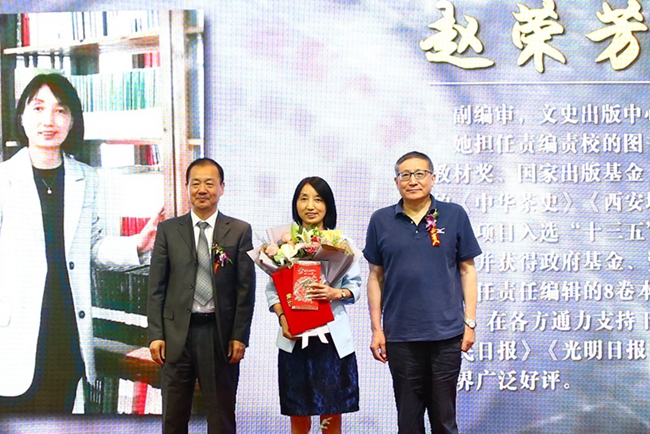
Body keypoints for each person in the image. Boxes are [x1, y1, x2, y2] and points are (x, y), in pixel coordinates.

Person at [0, 73, 158, 413]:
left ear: (72, 121)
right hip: (12, 337)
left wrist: (137, 245)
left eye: (60, 110)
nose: (48, 120)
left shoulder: (87, 178)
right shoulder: (4, 179)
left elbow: (93, 248)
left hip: (66, 335)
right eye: (38, 108)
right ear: (21, 117)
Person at [363, 151, 482, 434]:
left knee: (444, 419)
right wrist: (377, 329)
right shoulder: (381, 220)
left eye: (420, 174)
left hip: (446, 335)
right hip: (401, 336)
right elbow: (376, 276)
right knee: (408, 422)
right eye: (405, 175)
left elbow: (467, 271)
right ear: (396, 181)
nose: (413, 181)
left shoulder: (454, 214)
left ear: (432, 178)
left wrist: (470, 322)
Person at [147, 157, 256, 434]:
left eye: (209, 183)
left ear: (222, 188)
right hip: (176, 337)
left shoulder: (239, 231)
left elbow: (245, 289)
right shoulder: (168, 230)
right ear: (187, 187)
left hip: (219, 336)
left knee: (221, 419)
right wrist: (156, 334)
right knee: (173, 418)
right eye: (196, 183)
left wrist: (239, 336)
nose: (202, 189)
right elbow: (156, 286)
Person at [265, 176, 360, 434]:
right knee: (299, 414)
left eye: (318, 199)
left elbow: (355, 287)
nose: (310, 206)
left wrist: (334, 293)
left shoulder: (341, 243)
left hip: (331, 340)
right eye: (303, 198)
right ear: (295, 204)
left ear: (328, 205)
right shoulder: (283, 245)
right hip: (294, 338)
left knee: (331, 414)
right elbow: (272, 290)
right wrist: (283, 319)